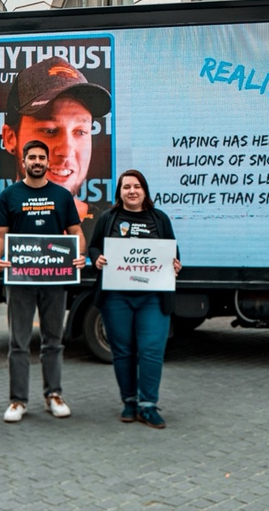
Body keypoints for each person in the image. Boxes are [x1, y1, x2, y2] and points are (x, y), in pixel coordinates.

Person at [0, 139, 86, 423]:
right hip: (19, 281)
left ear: (46, 162)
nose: (37, 161)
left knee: (53, 341)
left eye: (41, 157)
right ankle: (18, 400)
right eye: (32, 157)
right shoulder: (9, 195)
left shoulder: (61, 195)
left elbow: (76, 232)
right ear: (23, 161)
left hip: (54, 280)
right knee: (18, 342)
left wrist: (79, 253)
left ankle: (53, 395)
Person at [88, 169, 181, 428]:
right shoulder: (108, 218)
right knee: (123, 351)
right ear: (119, 192)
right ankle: (129, 401)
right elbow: (93, 246)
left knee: (152, 350)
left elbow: (173, 251)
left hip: (153, 297)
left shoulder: (159, 218)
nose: (132, 191)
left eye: (137, 186)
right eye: (126, 186)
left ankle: (148, 405)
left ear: (145, 191)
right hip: (116, 297)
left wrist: (175, 264)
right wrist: (97, 258)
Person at [0, 55, 112, 235]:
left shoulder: (112, 226)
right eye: (49, 130)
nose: (66, 151)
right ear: (10, 138)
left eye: (80, 132)